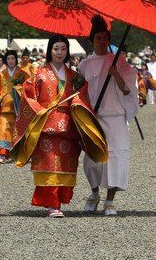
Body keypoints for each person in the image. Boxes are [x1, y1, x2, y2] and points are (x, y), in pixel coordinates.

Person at [11, 35, 108, 218]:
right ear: (50, 50)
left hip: (68, 128)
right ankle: (51, 205)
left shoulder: (74, 76)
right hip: (46, 126)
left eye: (63, 49)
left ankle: (59, 202)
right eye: (56, 48)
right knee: (49, 164)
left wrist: (79, 99)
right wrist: (40, 111)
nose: (60, 52)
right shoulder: (38, 74)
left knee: (66, 165)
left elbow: (82, 96)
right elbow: (28, 97)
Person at [80, 15, 139, 216]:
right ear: (91, 40)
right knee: (92, 160)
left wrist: (116, 75)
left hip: (116, 117)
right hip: (94, 117)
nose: (102, 41)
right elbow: (80, 93)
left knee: (116, 157)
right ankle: (95, 192)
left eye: (105, 37)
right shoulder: (85, 65)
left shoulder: (120, 62)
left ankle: (110, 200)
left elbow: (128, 91)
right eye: (98, 38)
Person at [0, 50, 29, 163]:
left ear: (16, 60)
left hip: (18, 107)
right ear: (5, 60)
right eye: (8, 59)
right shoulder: (1, 74)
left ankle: (16, 154)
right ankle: (2, 155)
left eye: (13, 58)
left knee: (17, 130)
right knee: (1, 129)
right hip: (4, 106)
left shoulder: (22, 73)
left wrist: (18, 90)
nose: (11, 61)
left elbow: (29, 86)